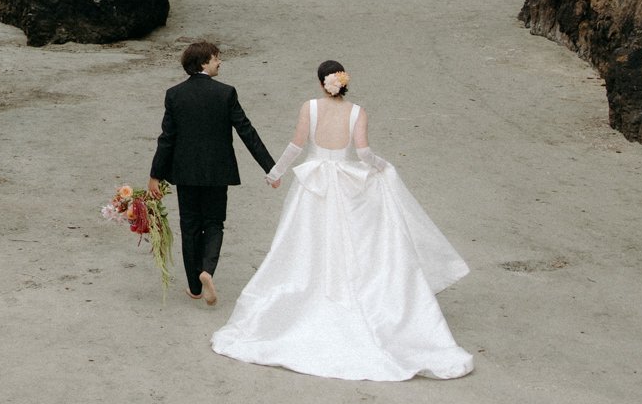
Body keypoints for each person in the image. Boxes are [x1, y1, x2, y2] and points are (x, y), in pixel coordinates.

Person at [211, 59, 473, 380]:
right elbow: (363, 154)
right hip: (347, 183)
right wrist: (380, 166)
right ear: (342, 81)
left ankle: (306, 298)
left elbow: (296, 145)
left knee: (304, 242)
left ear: (322, 83)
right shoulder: (357, 112)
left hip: (314, 183)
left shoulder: (309, 108)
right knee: (351, 243)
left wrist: (276, 171)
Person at [148, 39, 275, 306]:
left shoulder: (174, 94)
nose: (219, 62)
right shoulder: (226, 93)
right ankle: (207, 270)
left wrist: (155, 175)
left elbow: (167, 138)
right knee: (214, 223)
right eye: (216, 58)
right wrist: (270, 166)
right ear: (204, 62)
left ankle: (195, 287)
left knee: (190, 225)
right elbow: (246, 131)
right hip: (218, 172)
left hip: (185, 172)